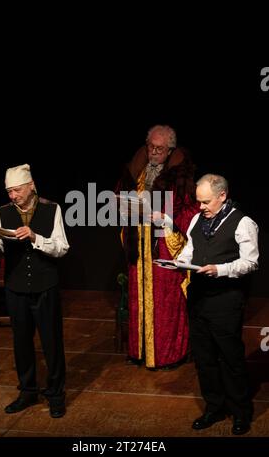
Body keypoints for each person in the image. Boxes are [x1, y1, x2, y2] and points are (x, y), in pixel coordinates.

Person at [0, 164, 69, 418]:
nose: (13, 196)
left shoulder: (51, 209)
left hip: (46, 286)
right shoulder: (3, 212)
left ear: (31, 186)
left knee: (52, 343)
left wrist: (35, 238)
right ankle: (28, 391)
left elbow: (62, 248)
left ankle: (55, 395)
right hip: (16, 286)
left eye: (17, 190)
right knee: (21, 342)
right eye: (9, 191)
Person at [176, 174, 259, 435]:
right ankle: (214, 407)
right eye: (199, 202)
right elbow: (190, 249)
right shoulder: (196, 220)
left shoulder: (243, 222)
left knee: (230, 359)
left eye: (206, 202)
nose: (201, 207)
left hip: (225, 301)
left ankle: (240, 412)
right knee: (204, 359)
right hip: (198, 299)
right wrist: (179, 261)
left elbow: (251, 262)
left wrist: (220, 270)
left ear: (222, 196)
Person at [116, 124, 199, 369]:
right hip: (138, 249)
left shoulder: (180, 177)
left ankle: (167, 355)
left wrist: (165, 218)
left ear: (170, 150)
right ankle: (139, 351)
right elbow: (120, 201)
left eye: (160, 148)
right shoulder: (136, 171)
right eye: (151, 146)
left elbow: (190, 211)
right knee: (138, 300)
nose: (153, 152)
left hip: (163, 248)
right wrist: (123, 207)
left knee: (165, 305)